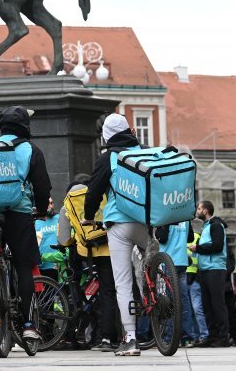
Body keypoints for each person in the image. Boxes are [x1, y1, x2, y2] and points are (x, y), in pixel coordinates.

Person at [0, 106, 52, 354]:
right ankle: (28, 325)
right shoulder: (31, 150)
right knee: (23, 267)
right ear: (25, 126)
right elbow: (42, 186)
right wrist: (39, 209)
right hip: (18, 212)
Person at [83, 113, 147, 356]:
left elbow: (94, 192)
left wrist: (89, 215)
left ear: (106, 135)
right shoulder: (143, 152)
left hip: (119, 224)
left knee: (123, 284)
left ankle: (130, 338)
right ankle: (159, 290)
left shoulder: (108, 157)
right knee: (148, 267)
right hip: (146, 221)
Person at [58, 175, 119, 351]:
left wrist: (74, 241)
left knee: (78, 292)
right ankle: (107, 337)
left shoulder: (67, 205)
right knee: (108, 292)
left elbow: (63, 239)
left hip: (83, 253)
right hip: (108, 248)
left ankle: (75, 333)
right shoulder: (103, 195)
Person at [189, 201, 230, 347]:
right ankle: (212, 337)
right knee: (207, 305)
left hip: (215, 269)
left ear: (206, 211)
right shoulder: (205, 227)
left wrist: (198, 248)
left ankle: (223, 338)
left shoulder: (216, 226)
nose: (197, 211)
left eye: (199, 208)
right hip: (205, 270)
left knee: (217, 304)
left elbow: (218, 246)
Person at [155, 220, 199, 347]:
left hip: (168, 260)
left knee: (169, 301)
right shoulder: (185, 218)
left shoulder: (166, 216)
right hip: (182, 261)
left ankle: (170, 337)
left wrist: (158, 229)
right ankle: (187, 337)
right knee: (183, 299)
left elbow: (162, 238)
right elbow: (190, 237)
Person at [185, 229, 209, 345]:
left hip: (195, 278)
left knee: (196, 308)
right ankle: (194, 336)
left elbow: (201, 257)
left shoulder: (197, 237)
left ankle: (204, 335)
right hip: (182, 277)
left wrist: (197, 276)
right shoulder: (179, 237)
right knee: (188, 309)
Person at [35, 197, 61, 282]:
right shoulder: (35, 222)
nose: (51, 206)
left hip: (59, 265)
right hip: (42, 267)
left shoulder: (60, 218)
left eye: (52, 203)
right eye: (48, 203)